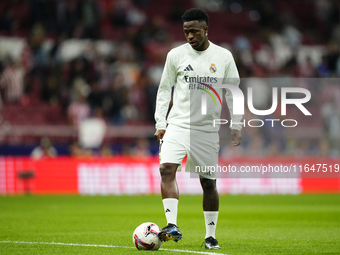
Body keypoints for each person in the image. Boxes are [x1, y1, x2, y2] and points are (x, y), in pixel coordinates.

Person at [154, 8, 242, 250]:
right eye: (186, 32)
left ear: (206, 30)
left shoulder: (223, 57)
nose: (189, 36)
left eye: (193, 31)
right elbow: (164, 90)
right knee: (166, 169)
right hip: (178, 123)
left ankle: (210, 236)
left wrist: (237, 123)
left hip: (206, 129)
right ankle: (171, 225)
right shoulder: (175, 55)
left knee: (208, 183)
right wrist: (161, 123)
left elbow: (233, 92)